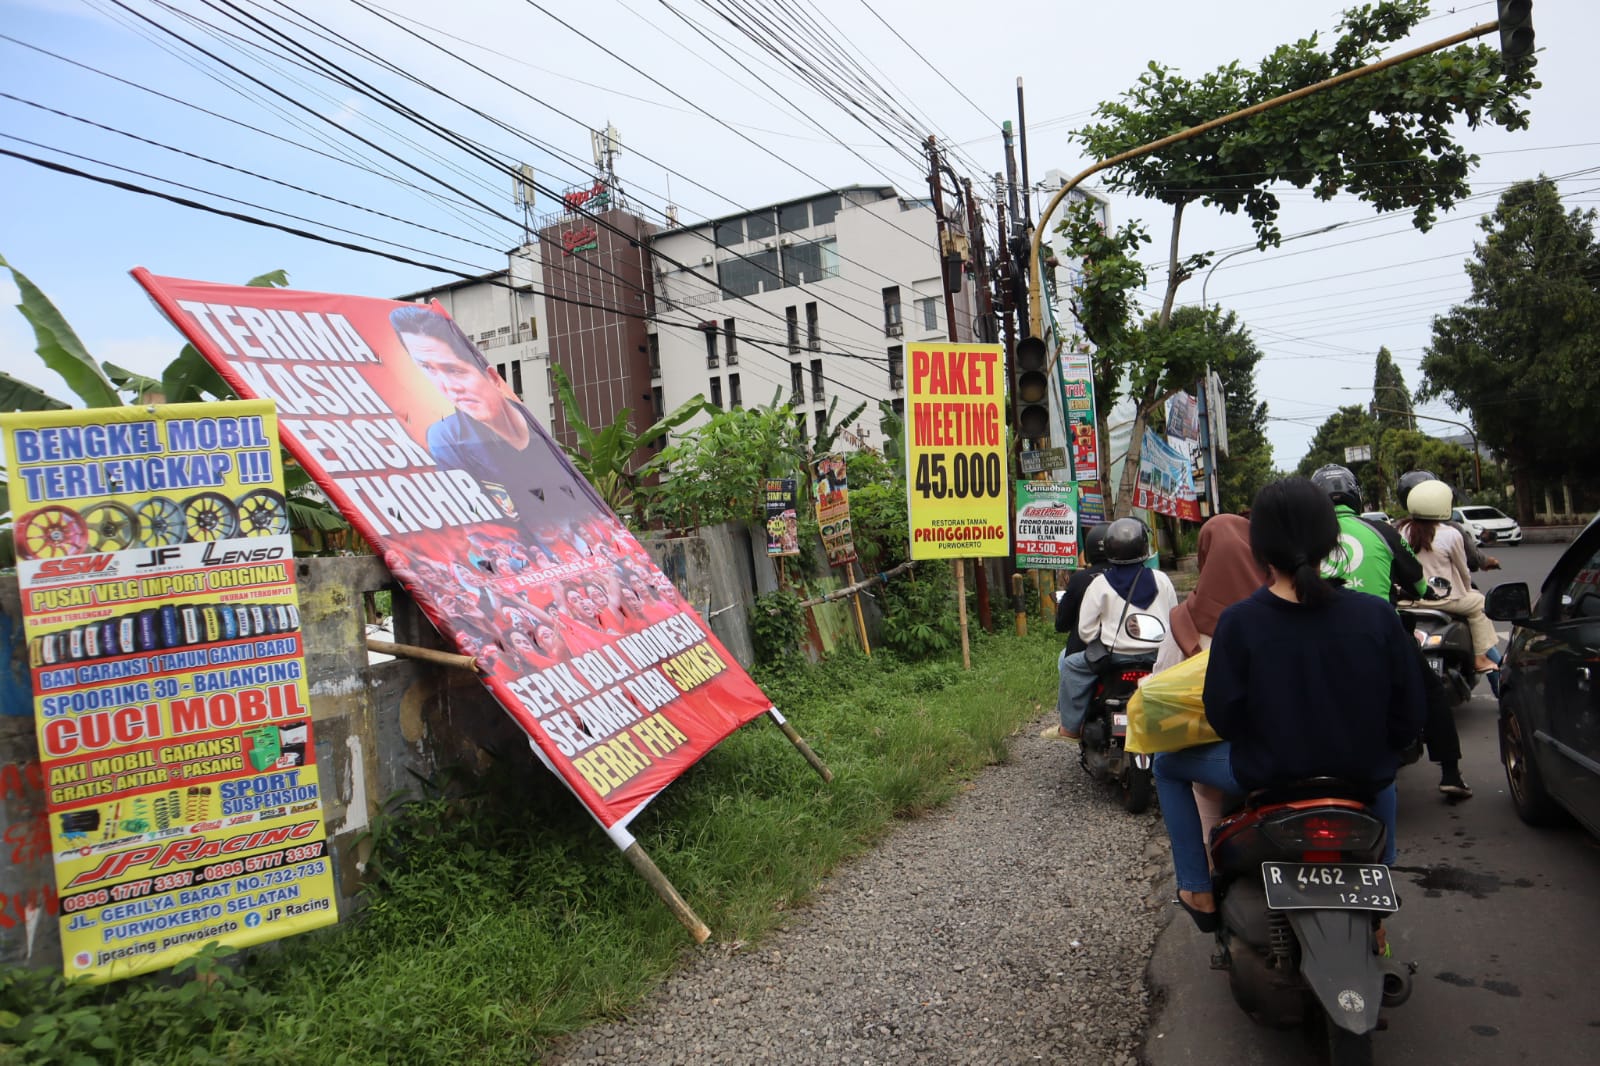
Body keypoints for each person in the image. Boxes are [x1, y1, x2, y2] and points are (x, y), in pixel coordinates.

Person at [1154, 478, 1426, 931]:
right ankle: (1382, 880)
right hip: (1361, 775)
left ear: (1259, 548)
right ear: (1331, 541)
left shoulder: (1239, 622)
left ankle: (1197, 887)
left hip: (1266, 775)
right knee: (1384, 775)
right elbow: (1409, 715)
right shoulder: (1375, 616)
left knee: (1167, 766)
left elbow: (1223, 716)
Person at [1314, 464, 1470, 798]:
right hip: (1381, 633)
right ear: (1356, 497)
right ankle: (1450, 773)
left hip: (1316, 637)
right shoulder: (1381, 532)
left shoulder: (1305, 537)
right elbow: (1416, 578)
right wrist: (1423, 592)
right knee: (1432, 693)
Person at [389, 305, 590, 528]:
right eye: (428, 369)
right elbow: (476, 526)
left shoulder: (537, 434)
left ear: (493, 377)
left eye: (455, 370)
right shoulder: (447, 438)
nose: (448, 388)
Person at [1149, 514, 1269, 846]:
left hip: (1233, 758)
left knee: (1170, 767)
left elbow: (1162, 687)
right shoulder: (1281, 611)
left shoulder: (1185, 621)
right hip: (1300, 749)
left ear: (1205, 557)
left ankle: (1200, 880)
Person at [1043, 518, 1177, 741]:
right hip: (1157, 657)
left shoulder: (1100, 584)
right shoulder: (1162, 580)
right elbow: (1175, 619)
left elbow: (1085, 631)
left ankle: (1070, 728)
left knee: (1070, 665)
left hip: (1116, 659)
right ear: (1144, 548)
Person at [1396, 480, 1499, 677]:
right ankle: (1480, 658)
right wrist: (1468, 589)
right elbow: (1463, 570)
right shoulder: (1451, 533)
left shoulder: (1401, 530)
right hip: (1443, 600)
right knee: (1479, 604)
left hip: (1407, 600)